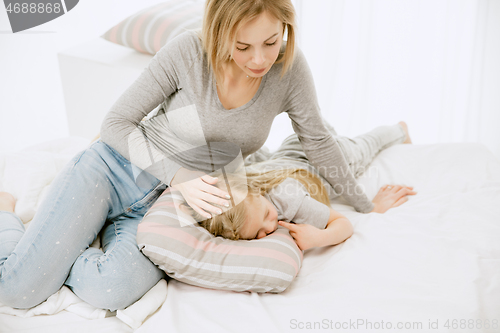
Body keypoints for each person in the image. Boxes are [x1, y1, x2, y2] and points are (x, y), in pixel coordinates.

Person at [0, 0, 411, 310]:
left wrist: (363, 205)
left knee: (112, 290)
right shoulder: (187, 53)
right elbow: (116, 124)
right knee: (19, 290)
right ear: (218, 32)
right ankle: (9, 212)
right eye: (243, 45)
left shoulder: (288, 69)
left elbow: (318, 141)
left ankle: (68, 241)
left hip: (168, 211)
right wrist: (180, 177)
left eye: (271, 41)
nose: (259, 59)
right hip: (114, 172)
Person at [195, 122, 417, 250]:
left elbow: (342, 223)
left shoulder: (288, 200)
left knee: (364, 147)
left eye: (265, 214)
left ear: (257, 191)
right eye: (258, 233)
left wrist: (319, 238)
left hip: (328, 157)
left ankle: (400, 130)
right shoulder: (243, 183)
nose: (269, 226)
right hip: (292, 147)